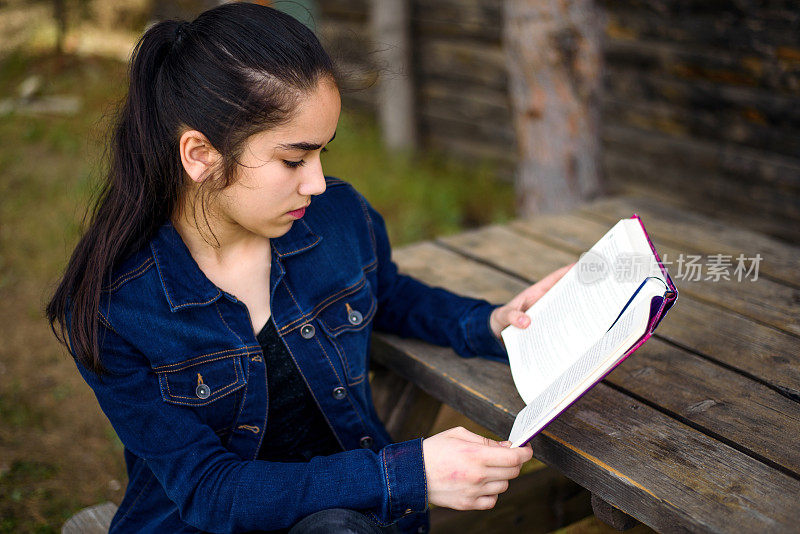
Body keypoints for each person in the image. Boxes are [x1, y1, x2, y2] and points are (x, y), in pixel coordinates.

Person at [46, 3, 571, 533]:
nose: (318, 183)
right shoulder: (116, 308)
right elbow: (210, 490)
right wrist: (405, 474)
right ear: (200, 154)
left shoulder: (337, 219)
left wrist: (489, 322)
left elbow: (386, 295)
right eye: (294, 160)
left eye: (322, 152)